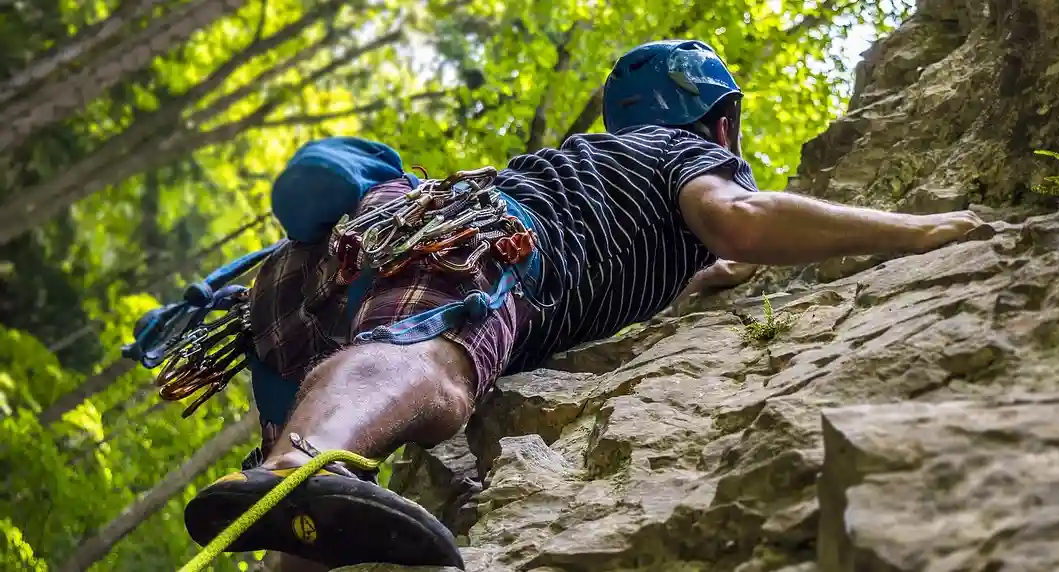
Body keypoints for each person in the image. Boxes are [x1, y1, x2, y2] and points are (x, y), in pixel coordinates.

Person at [179, 39, 989, 570]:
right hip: (477, 239)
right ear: (720, 121)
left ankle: (292, 490)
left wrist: (698, 280)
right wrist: (914, 231)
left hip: (306, 286)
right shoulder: (684, 153)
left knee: (318, 502)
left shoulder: (602, 176)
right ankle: (293, 465)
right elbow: (736, 221)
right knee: (439, 364)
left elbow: (672, 262)